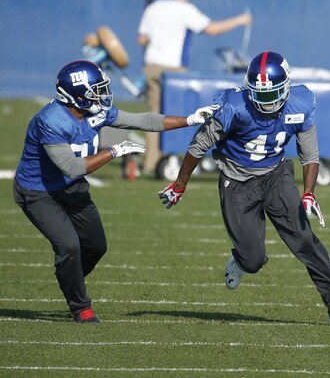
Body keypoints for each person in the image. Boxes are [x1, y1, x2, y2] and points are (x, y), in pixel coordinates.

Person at [158, 51, 330, 327]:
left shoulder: (300, 103)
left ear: (287, 87)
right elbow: (198, 145)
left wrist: (309, 192)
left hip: (276, 175)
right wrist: (180, 184)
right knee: (253, 260)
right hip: (237, 181)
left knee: (304, 239)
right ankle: (241, 261)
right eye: (260, 95)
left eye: (272, 94)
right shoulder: (234, 106)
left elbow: (309, 154)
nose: (266, 102)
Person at [13, 60, 215, 323]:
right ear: (76, 95)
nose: (101, 95)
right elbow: (72, 166)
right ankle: (80, 306)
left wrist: (189, 119)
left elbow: (143, 120)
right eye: (95, 90)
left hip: (72, 189)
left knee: (96, 246)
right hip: (39, 191)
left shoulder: (95, 111)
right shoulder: (50, 120)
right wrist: (114, 151)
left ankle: (69, 277)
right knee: (69, 245)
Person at [138, 0, 252, 176]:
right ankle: (180, 159)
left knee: (154, 114)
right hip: (173, 69)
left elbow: (142, 39)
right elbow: (211, 29)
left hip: (151, 65)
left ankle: (151, 163)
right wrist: (240, 20)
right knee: (182, 116)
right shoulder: (184, 9)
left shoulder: (153, 7)